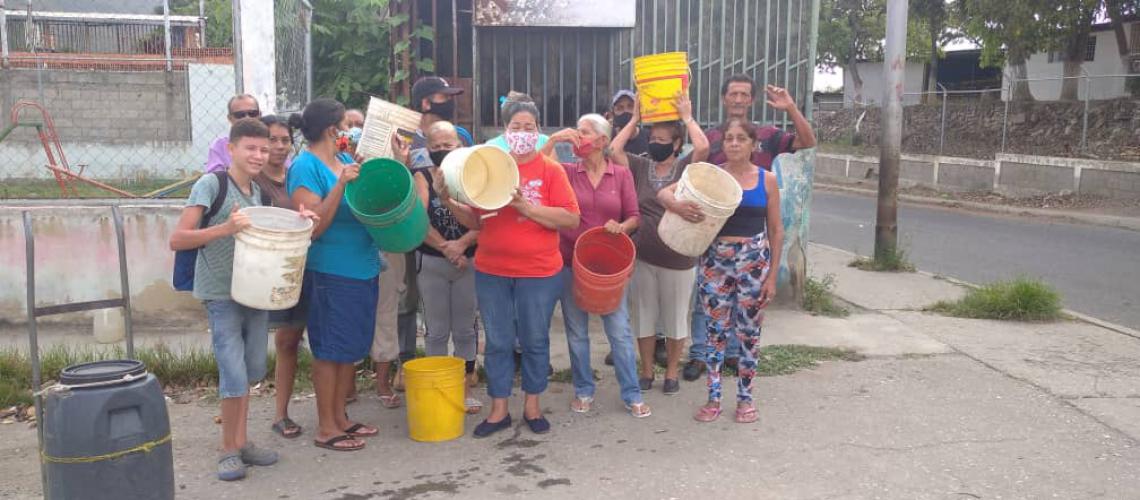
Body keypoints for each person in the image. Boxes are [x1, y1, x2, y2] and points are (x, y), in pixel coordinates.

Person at [171, 118, 305, 481]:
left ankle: (243, 441)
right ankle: (227, 450)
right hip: (220, 294)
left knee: (247, 372)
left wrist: (299, 220)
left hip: (255, 292)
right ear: (230, 149)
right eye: (251, 148)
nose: (259, 155)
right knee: (232, 373)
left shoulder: (258, 193)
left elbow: (270, 234)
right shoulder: (210, 185)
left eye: (264, 149)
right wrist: (225, 229)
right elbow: (179, 238)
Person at [439, 96, 580, 438]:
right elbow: (475, 219)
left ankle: (532, 406)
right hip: (492, 270)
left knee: (534, 339)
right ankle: (498, 409)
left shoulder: (551, 170)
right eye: (515, 127)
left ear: (538, 131)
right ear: (505, 131)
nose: (522, 133)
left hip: (539, 272)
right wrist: (446, 199)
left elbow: (571, 217)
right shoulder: (491, 165)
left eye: (528, 127)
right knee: (499, 340)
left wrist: (527, 208)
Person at [682, 76, 816, 382]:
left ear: (752, 100)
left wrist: (791, 107)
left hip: (751, 231)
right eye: (733, 94)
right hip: (714, 232)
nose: (739, 99)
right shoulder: (712, 138)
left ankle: (732, 353)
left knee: (743, 299)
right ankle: (700, 354)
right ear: (723, 99)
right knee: (708, 300)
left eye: (744, 94)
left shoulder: (765, 136)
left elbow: (808, 141)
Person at [663, 118, 783, 423]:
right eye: (728, 138)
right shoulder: (712, 177)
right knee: (715, 330)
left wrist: (771, 277)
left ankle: (745, 399)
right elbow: (665, 193)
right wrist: (677, 207)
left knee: (748, 333)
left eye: (741, 138)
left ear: (753, 144)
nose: (733, 143)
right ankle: (713, 398)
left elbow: (776, 230)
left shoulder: (766, 180)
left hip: (753, 260)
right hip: (716, 259)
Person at [287, 98, 385, 452]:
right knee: (329, 349)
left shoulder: (343, 159)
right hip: (331, 270)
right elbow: (313, 228)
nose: (351, 131)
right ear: (333, 129)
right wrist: (341, 184)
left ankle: (341, 416)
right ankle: (326, 427)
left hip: (362, 266)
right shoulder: (305, 167)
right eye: (347, 124)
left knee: (348, 349)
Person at [543, 114, 649, 418]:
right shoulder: (565, 172)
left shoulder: (621, 175)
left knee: (619, 331)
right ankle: (583, 390)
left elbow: (634, 216)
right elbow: (536, 169)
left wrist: (622, 227)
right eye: (576, 132)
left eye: (585, 133)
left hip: (608, 266)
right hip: (569, 262)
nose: (579, 137)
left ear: (602, 141)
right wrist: (553, 140)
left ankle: (631, 392)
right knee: (576, 332)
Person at [611, 93, 709, 395]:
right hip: (643, 256)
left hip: (678, 259)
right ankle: (646, 371)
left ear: (677, 143)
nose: (656, 142)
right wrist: (636, 120)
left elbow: (703, 146)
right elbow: (614, 149)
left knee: (676, 316)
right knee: (644, 316)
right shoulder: (640, 167)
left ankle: (671, 374)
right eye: (653, 137)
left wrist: (687, 117)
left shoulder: (684, 169)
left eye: (663, 138)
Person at [413, 120, 482, 413]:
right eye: (436, 146)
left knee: (466, 330)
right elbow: (418, 220)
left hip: (469, 262)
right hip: (432, 261)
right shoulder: (421, 177)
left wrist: (463, 244)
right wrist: (447, 247)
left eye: (448, 145)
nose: (442, 150)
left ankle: (464, 392)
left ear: (460, 146)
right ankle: (437, 393)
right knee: (437, 331)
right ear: (428, 149)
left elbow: (485, 219)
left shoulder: (474, 176)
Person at [251, 115, 308, 439]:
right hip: (265, 272)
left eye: (284, 140)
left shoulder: (297, 174)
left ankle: (338, 406)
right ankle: (278, 414)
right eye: (272, 139)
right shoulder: (253, 181)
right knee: (283, 341)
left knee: (302, 339)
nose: (279, 146)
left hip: (302, 267)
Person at [408, 76, 474, 169]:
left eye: (450, 98)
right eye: (445, 97)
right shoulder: (407, 141)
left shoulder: (461, 135)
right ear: (426, 103)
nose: (450, 102)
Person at [205, 94, 260, 173]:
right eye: (240, 115)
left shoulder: (272, 141)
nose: (247, 118)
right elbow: (216, 178)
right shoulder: (220, 145)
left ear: (259, 115)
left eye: (252, 113)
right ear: (230, 118)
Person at [608, 89, 651, 156]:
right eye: (620, 108)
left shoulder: (649, 137)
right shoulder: (608, 139)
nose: (625, 111)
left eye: (630, 106)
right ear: (613, 113)